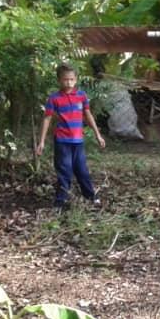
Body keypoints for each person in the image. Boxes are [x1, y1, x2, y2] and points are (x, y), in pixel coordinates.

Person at [35, 62, 106, 209]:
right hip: (62, 141)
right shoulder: (54, 98)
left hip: (78, 141)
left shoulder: (81, 96)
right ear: (59, 80)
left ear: (76, 79)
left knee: (82, 170)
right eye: (65, 79)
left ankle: (91, 196)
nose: (69, 82)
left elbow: (88, 115)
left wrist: (98, 135)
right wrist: (41, 142)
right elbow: (47, 118)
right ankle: (61, 201)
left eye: (72, 79)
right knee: (64, 170)